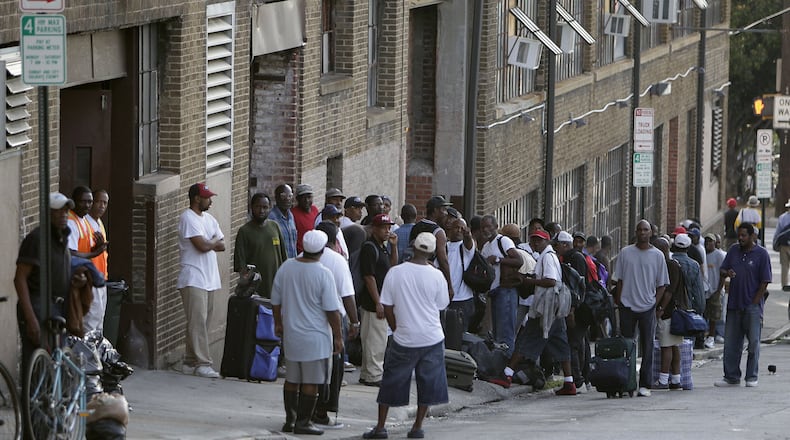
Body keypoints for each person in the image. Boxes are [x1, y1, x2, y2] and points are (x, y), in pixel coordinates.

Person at [362, 232, 449, 440]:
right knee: (427, 383)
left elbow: (387, 306)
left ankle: (380, 427)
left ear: (413, 247)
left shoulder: (396, 272)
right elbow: (441, 305)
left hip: (405, 337)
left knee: (391, 381)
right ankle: (417, 427)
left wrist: (396, 328)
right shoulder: (437, 276)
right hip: (432, 337)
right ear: (432, 253)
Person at [272, 230, 343, 435]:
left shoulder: (287, 267)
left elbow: (275, 300)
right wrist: (338, 336)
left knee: (292, 379)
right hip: (316, 338)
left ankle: (290, 420)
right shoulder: (323, 273)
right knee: (311, 381)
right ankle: (303, 422)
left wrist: (278, 323)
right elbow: (332, 310)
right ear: (322, 250)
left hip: (292, 334)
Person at [500, 229, 576, 395]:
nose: (535, 243)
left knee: (527, 339)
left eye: (539, 240)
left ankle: (507, 374)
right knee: (560, 343)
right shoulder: (548, 256)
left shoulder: (547, 257)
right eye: (533, 240)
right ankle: (569, 382)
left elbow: (550, 281)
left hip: (546, 308)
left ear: (547, 241)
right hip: (555, 307)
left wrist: (529, 281)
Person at [15, 193, 86, 371]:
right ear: (47, 213)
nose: (64, 215)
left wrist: (76, 281)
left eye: (66, 211)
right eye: (58, 211)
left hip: (58, 306)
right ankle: (33, 390)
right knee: (38, 363)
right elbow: (20, 278)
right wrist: (31, 318)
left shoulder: (62, 239)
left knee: (57, 361)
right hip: (38, 305)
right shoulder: (36, 239)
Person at [612, 219, 669, 397]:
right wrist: (620, 301)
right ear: (636, 232)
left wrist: (654, 303)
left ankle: (645, 384)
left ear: (651, 232)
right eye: (639, 230)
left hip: (647, 307)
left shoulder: (658, 255)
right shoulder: (625, 253)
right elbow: (619, 280)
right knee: (627, 346)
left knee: (648, 346)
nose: (642, 232)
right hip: (627, 306)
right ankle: (626, 382)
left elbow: (662, 285)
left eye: (645, 230)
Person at [313, 221, 359, 426]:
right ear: (335, 241)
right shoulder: (337, 261)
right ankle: (322, 412)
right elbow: (347, 295)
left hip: (306, 319)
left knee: (308, 367)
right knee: (333, 368)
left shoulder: (299, 258)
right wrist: (354, 322)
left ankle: (303, 411)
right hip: (333, 320)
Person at [715, 223, 771, 388]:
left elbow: (765, 281)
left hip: (752, 307)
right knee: (731, 343)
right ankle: (731, 376)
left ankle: (751, 376)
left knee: (753, 343)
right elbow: (722, 270)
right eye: (739, 235)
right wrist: (727, 273)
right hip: (734, 305)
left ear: (752, 236)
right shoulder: (733, 250)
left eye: (744, 235)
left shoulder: (761, 254)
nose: (740, 238)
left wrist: (755, 302)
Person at [178, 182, 225, 379]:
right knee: (197, 321)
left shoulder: (210, 219)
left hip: (209, 278)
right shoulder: (188, 218)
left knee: (202, 322)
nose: (210, 201)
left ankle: (190, 361)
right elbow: (202, 246)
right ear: (197, 198)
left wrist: (209, 242)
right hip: (193, 276)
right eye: (207, 197)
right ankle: (203, 363)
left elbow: (222, 244)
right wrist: (211, 241)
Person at [358, 214, 398, 387]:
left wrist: (394, 247)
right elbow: (369, 277)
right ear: (374, 229)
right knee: (375, 341)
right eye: (383, 228)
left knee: (375, 339)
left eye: (389, 227)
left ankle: (367, 373)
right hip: (372, 303)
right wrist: (378, 302)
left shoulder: (382, 247)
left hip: (379, 301)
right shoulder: (369, 247)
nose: (387, 231)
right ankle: (374, 375)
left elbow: (392, 268)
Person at [67, 186, 108, 333]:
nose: (87, 205)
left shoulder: (85, 221)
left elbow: (86, 248)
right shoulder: (71, 222)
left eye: (89, 202)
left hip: (96, 277)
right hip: (84, 279)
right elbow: (70, 253)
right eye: (83, 201)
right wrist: (94, 253)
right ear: (74, 202)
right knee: (89, 322)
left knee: (98, 322)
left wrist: (97, 248)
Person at [233, 193, 287, 299]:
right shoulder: (244, 231)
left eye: (265, 207)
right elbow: (241, 265)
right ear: (251, 207)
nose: (261, 211)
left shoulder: (275, 227)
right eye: (258, 207)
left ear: (270, 208)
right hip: (256, 292)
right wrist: (249, 287)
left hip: (276, 287)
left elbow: (284, 258)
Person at [652, 237, 685, 390]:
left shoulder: (670, 266)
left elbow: (668, 291)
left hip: (668, 312)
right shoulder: (671, 264)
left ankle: (664, 379)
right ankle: (676, 378)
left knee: (666, 346)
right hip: (673, 311)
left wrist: (661, 309)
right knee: (673, 345)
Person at [409, 196, 453, 299]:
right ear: (435, 210)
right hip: (430, 276)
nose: (446, 213)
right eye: (443, 209)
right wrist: (449, 285)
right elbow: (443, 260)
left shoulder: (416, 226)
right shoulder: (439, 232)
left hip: (413, 274)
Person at [446, 213, 476, 332]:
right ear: (450, 229)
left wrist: (468, 235)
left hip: (463, 299)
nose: (459, 230)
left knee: (460, 334)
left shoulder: (465, 247)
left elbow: (469, 242)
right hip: (445, 298)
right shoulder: (444, 246)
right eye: (456, 227)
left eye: (462, 228)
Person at [704, 233, 726, 348]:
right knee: (705, 313)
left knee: (714, 315)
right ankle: (704, 335)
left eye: (710, 241)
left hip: (715, 289)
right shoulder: (703, 254)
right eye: (706, 241)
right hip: (705, 289)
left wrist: (718, 290)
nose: (708, 244)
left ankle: (712, 336)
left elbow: (723, 274)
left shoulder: (719, 255)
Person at [268, 184, 298, 258]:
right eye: (283, 196)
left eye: (290, 196)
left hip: (292, 261)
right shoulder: (271, 218)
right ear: (276, 198)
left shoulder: (291, 216)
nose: (287, 199)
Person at [292, 184, 319, 254]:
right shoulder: (292, 214)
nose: (307, 200)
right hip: (301, 254)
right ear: (297, 199)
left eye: (309, 197)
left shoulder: (315, 210)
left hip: (315, 251)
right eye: (303, 198)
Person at [774, 199, 790, 292]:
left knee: (784, 265)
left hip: (784, 244)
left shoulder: (782, 217)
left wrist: (775, 242)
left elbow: (778, 231)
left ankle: (784, 285)